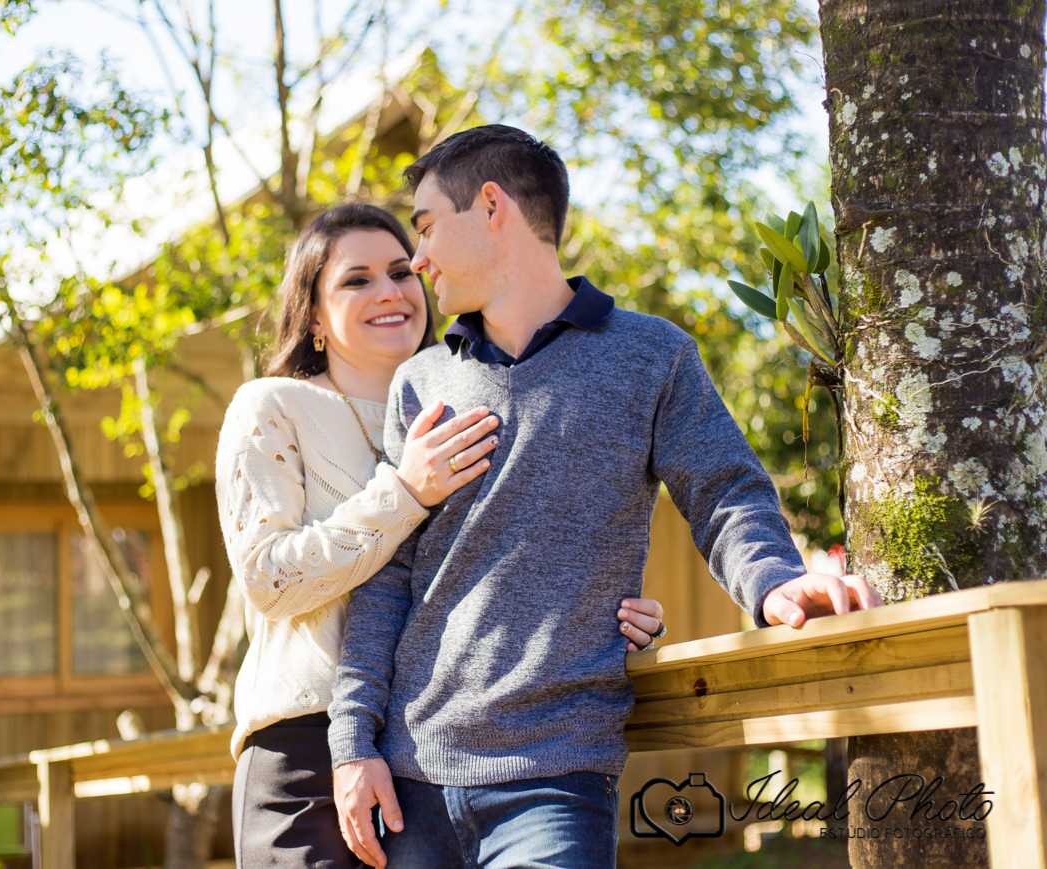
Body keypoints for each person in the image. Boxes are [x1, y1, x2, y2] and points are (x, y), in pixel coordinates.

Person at [327, 126, 884, 869]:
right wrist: (352, 743)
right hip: (410, 780)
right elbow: (389, 576)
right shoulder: (422, 381)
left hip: (555, 777)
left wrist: (775, 582)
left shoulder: (651, 354)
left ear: (491, 206)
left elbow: (724, 493)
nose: (417, 259)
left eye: (426, 229)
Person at [215, 202, 666, 869]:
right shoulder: (272, 406)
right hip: (305, 745)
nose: (391, 291)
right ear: (312, 314)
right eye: (356, 279)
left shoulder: (466, 397)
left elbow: (509, 560)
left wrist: (612, 613)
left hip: (427, 752)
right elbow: (269, 581)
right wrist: (403, 492)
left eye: (401, 271)